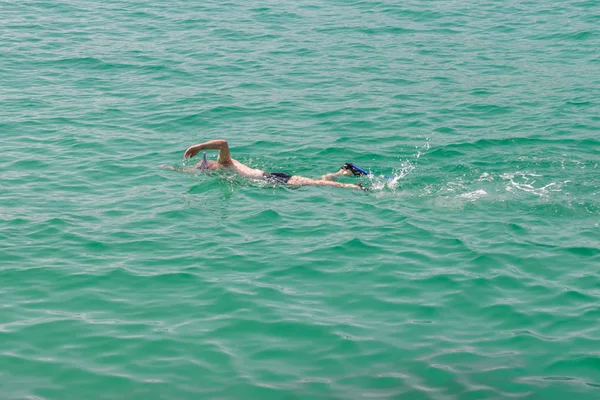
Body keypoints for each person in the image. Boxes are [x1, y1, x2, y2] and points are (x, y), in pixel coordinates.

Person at [163, 140, 365, 190]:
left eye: (202, 166)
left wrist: (199, 146)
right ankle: (341, 173)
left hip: (272, 178)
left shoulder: (224, 162)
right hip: (271, 182)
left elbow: (223, 143)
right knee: (316, 182)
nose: (203, 168)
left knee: (316, 185)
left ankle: (353, 186)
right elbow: (193, 172)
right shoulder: (221, 171)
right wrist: (175, 170)